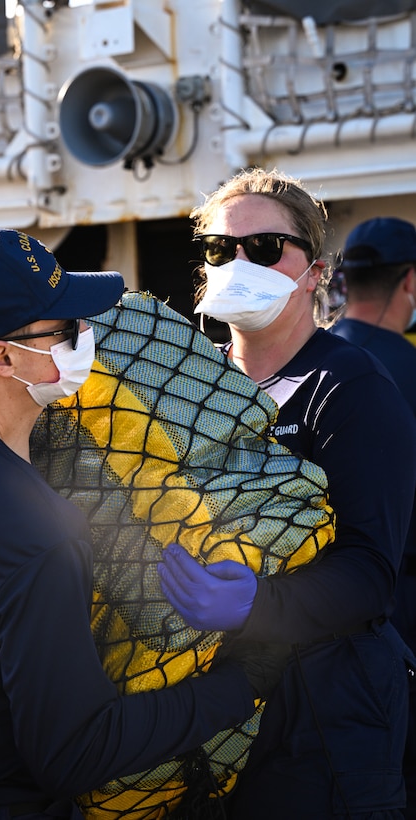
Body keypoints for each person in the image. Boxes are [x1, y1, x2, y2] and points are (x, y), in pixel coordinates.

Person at [0, 227, 282, 820]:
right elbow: (76, 750)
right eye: (64, 330)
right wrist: (245, 680)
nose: (85, 337)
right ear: (3, 357)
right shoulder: (31, 528)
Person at [157, 169, 416, 818]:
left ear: (315, 273)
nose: (239, 261)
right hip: (206, 708)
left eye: (266, 248)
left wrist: (255, 604)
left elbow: (368, 574)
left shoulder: (351, 389)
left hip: (325, 716)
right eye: (220, 250)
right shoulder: (190, 386)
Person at [330, 216, 416, 819]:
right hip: (399, 603)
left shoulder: (313, 364)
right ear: (409, 282)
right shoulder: (402, 369)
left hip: (301, 613)